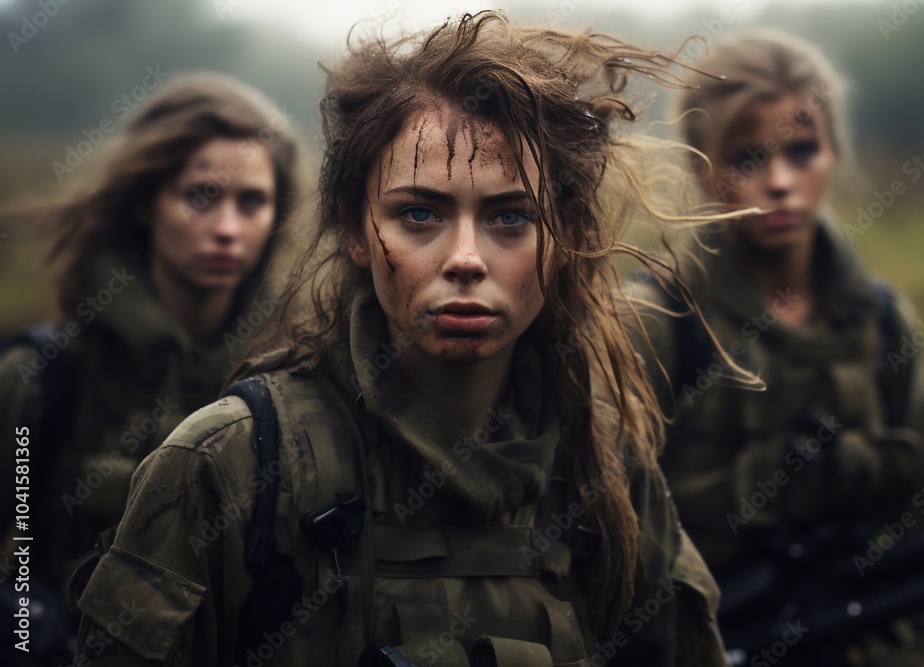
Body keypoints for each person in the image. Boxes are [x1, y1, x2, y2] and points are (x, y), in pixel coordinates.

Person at [74, 12, 727, 667]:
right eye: (420, 213)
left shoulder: (604, 469)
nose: (466, 258)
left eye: (510, 216)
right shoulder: (229, 464)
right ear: (356, 230)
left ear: (561, 239)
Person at [627, 29, 924, 666]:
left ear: (834, 153)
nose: (779, 181)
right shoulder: (655, 322)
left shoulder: (882, 323)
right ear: (701, 165)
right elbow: (607, 546)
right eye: (748, 158)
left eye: (802, 151)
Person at [0, 73, 300, 665]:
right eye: (200, 195)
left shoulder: (295, 379)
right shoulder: (43, 377)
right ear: (143, 202)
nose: (227, 229)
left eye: (252, 201)